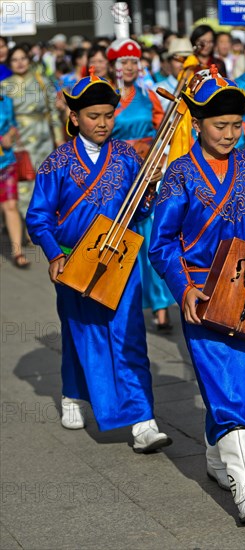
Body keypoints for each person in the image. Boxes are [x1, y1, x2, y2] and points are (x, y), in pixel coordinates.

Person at [149, 67, 245, 523]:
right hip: (203, 294)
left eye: (235, 125)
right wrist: (183, 286)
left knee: (244, 380)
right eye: (219, 125)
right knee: (226, 386)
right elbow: (162, 244)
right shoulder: (178, 174)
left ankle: (215, 457)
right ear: (198, 124)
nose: (229, 134)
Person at [25, 73, 172, 453]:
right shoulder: (56, 163)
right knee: (82, 336)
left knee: (129, 337)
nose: (103, 123)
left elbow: (138, 211)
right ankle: (74, 393)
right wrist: (55, 254)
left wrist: (151, 188)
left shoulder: (126, 156)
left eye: (108, 115)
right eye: (93, 116)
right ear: (74, 118)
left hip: (121, 260)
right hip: (75, 262)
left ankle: (143, 421)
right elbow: (38, 217)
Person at [107, 38, 175, 331]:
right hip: (117, 173)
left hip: (148, 172)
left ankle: (160, 305)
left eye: (134, 61)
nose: (130, 66)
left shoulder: (150, 95)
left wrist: (158, 159)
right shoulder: (106, 97)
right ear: (114, 66)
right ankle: (123, 296)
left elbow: (163, 132)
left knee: (151, 236)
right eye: (124, 62)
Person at [2, 46, 64, 220]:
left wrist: (58, 138)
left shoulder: (42, 81)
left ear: (29, 60)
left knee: (46, 180)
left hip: (43, 136)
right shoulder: (4, 87)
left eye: (23, 58)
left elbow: (53, 113)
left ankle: (48, 221)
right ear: (10, 63)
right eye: (15, 59)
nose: (20, 62)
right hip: (19, 138)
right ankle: (31, 225)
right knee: (24, 182)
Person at [0, 94, 30, 267]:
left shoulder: (6, 101)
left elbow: (13, 125)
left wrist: (10, 135)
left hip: (7, 162)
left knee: (10, 205)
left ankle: (17, 252)